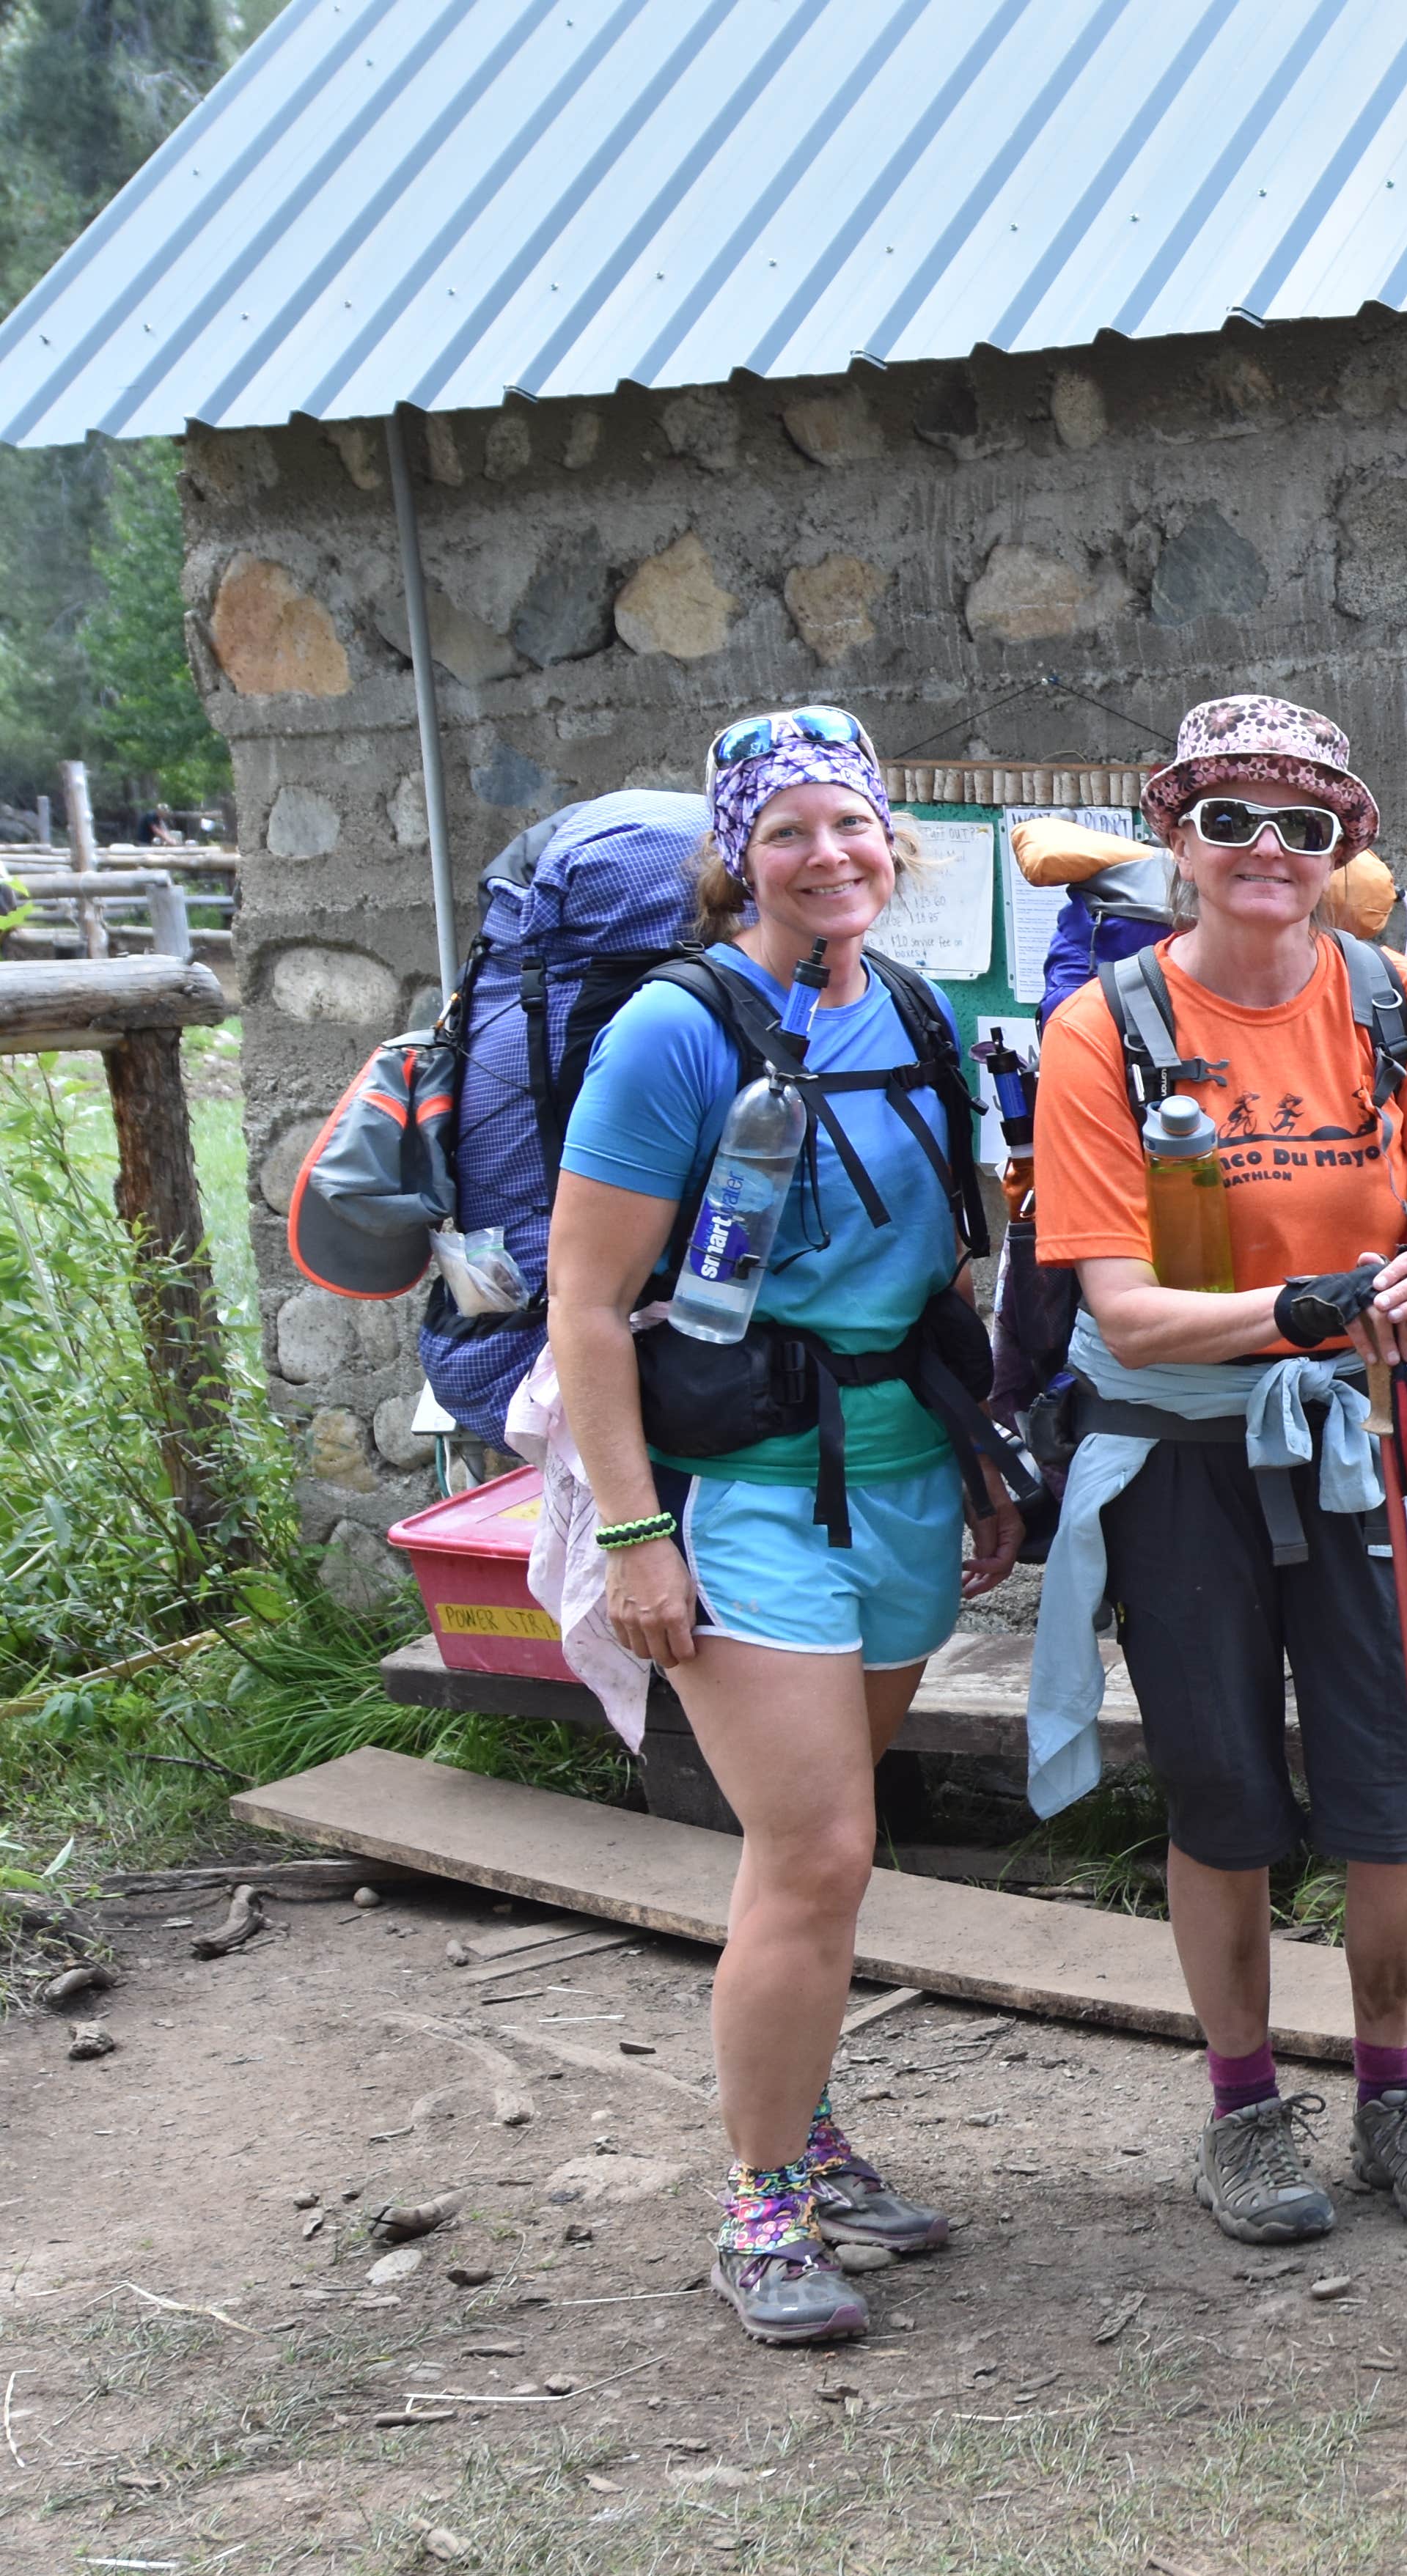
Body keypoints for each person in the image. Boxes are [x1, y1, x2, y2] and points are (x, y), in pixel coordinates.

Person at [542, 707, 1018, 2347]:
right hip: (735, 1489)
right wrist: (630, 1534)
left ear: (894, 844)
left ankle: (804, 2126)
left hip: (891, 1474)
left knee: (826, 1843)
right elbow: (588, 1305)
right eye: (792, 830)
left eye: (854, 826)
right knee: (815, 1848)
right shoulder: (673, 1032)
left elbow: (938, 1271)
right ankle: (760, 2204)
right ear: (737, 853)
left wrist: (973, 1459)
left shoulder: (915, 1010)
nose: (831, 856)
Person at [1023, 696, 1407, 2250]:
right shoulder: (1105, 1030)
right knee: (1225, 1792)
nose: (1267, 849)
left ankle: (1392, 2096)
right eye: (1231, 817)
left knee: (1394, 1797)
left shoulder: (1400, 1003)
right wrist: (1295, 1308)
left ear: (1341, 850)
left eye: (1305, 824)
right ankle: (1243, 2110)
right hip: (1181, 1453)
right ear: (1175, 834)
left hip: (1371, 1435)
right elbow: (1122, 1307)